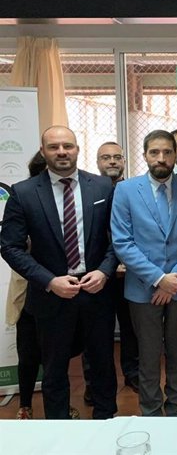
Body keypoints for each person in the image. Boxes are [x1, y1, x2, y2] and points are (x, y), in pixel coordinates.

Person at [1, 126, 119, 419]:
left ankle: (106, 425)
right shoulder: (24, 193)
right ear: (43, 152)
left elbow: (119, 239)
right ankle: (60, 430)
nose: (62, 152)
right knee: (54, 370)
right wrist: (49, 281)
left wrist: (104, 271)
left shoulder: (103, 187)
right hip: (51, 295)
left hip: (96, 291)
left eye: (68, 146)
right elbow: (10, 247)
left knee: (103, 364)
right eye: (54, 147)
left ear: (78, 149)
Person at [111, 129, 177, 416]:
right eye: (155, 152)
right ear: (144, 155)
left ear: (175, 155)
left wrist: (173, 280)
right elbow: (122, 242)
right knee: (149, 357)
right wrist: (158, 279)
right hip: (144, 290)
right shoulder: (126, 190)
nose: (162, 158)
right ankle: (152, 414)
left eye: (168, 152)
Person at [4, 152, 80, 420]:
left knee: (56, 358)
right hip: (29, 291)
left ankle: (59, 407)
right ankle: (25, 405)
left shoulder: (70, 198)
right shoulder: (23, 198)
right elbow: (13, 248)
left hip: (63, 290)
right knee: (28, 353)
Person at [95, 141, 139, 392]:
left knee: (131, 328)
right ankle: (95, 382)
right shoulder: (88, 190)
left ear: (124, 161)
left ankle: (133, 373)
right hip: (96, 273)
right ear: (98, 162)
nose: (112, 161)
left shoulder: (134, 189)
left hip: (129, 273)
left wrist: (127, 261)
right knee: (97, 332)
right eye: (105, 158)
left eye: (116, 157)